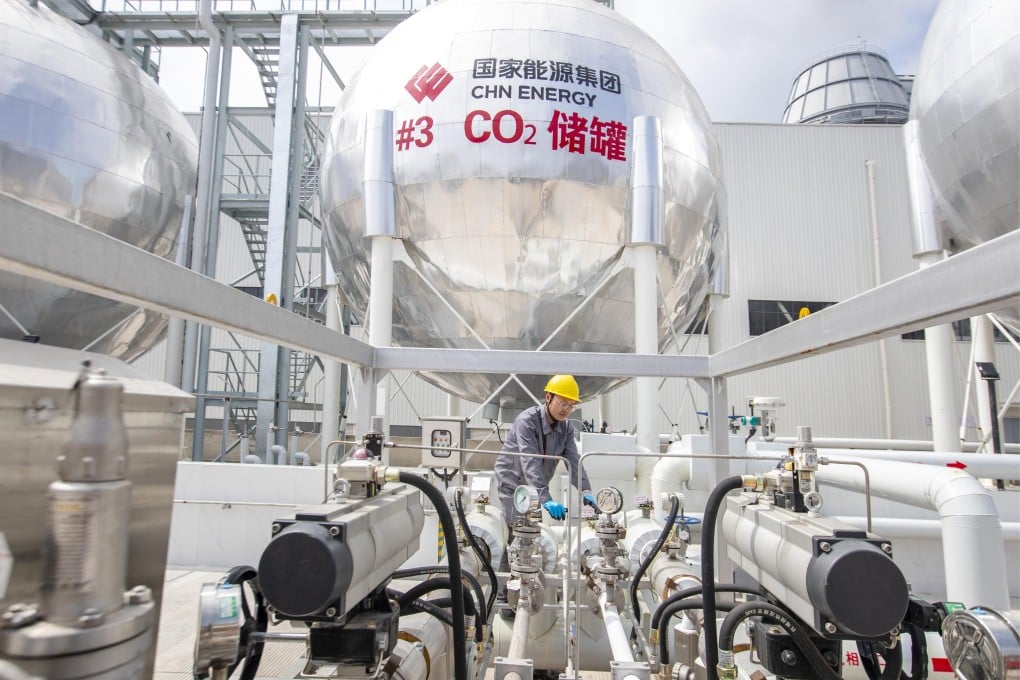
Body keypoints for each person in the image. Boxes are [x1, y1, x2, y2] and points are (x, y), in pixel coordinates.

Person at [494, 374, 595, 527]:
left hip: (535, 489)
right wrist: (546, 499)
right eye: (562, 403)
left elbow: (574, 460)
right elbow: (530, 462)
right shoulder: (527, 422)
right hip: (512, 486)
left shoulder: (566, 428)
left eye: (571, 405)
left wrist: (586, 490)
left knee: (532, 534)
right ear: (548, 397)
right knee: (517, 532)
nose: (566, 409)